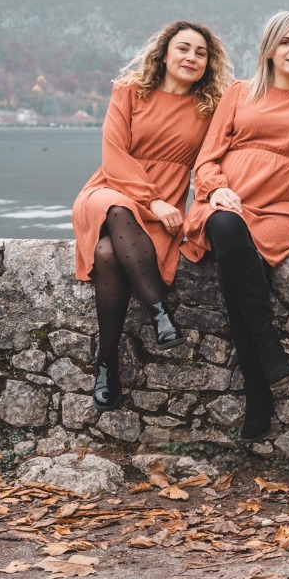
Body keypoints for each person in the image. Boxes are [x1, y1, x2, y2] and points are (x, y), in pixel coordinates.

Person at [181, 11, 289, 441]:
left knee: (237, 272)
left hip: (278, 210)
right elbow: (207, 159)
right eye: (286, 41)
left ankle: (258, 390)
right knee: (228, 230)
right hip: (227, 201)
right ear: (269, 49)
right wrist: (216, 189)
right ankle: (267, 351)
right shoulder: (239, 92)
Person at [73, 21, 233, 412]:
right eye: (183, 48)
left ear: (209, 63)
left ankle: (106, 363)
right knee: (118, 207)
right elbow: (114, 155)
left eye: (200, 53)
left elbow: (213, 161)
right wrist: (153, 201)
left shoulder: (210, 108)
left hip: (163, 208)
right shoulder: (129, 91)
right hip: (111, 189)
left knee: (108, 254)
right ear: (164, 54)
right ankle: (160, 313)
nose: (191, 57)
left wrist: (216, 193)